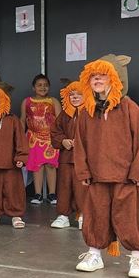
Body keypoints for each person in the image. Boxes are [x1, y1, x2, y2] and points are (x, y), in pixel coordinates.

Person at [73, 56, 139, 278]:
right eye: (93, 76)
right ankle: (94, 254)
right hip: (97, 177)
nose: (97, 79)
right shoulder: (87, 112)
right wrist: (84, 171)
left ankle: (137, 258)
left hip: (125, 177)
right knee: (95, 216)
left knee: (129, 218)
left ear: (116, 78)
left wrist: (138, 173)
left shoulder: (130, 108)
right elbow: (80, 144)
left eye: (103, 75)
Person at [0, 83, 28, 229]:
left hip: (11, 163)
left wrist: (21, 157)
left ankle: (16, 215)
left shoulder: (13, 119)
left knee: (14, 190)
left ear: (6, 100)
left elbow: (20, 139)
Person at [20, 74, 61, 204]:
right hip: (33, 138)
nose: (42, 87)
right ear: (33, 87)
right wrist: (20, 136)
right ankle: (37, 194)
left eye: (45, 85)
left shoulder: (53, 101)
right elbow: (22, 120)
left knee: (50, 164)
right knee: (37, 165)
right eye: (39, 85)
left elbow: (60, 120)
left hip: (50, 138)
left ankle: (52, 194)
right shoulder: (27, 102)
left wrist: (59, 136)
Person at [50, 81, 85, 229]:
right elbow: (55, 132)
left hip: (84, 160)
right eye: (72, 95)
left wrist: (82, 143)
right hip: (66, 158)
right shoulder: (64, 114)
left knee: (82, 188)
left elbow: (98, 134)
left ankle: (84, 215)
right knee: (64, 187)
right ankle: (63, 215)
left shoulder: (90, 112)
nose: (75, 97)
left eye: (79, 94)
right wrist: (63, 141)